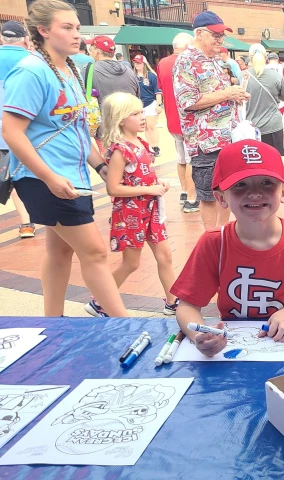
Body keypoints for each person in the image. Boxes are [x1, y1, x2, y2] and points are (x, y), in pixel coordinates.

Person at [3, 0, 128, 317]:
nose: (77, 35)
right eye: (67, 27)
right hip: (45, 178)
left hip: (72, 178)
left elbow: (77, 129)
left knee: (59, 251)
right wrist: (49, 178)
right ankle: (125, 324)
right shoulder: (31, 72)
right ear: (43, 31)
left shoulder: (69, 69)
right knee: (95, 252)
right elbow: (11, 131)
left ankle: (53, 322)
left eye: (77, 28)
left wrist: (100, 166)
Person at [170, 140, 284, 355]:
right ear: (221, 198)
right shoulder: (214, 243)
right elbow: (187, 306)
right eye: (241, 185)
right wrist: (199, 335)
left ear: (283, 191)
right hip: (234, 349)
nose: (255, 193)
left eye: (267, 182)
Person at [86, 92, 177, 316]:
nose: (142, 117)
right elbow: (113, 188)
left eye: (141, 112)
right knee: (131, 263)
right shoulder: (120, 150)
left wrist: (157, 184)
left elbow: (141, 176)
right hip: (131, 213)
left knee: (165, 255)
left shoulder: (141, 143)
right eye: (135, 114)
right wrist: (149, 189)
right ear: (120, 120)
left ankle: (172, 301)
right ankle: (99, 301)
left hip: (151, 210)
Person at [174, 11, 249, 231]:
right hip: (206, 143)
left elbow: (217, 94)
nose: (220, 40)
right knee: (208, 195)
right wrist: (227, 94)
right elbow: (188, 101)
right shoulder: (186, 61)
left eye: (222, 35)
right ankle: (212, 239)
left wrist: (235, 96)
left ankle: (222, 235)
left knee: (227, 190)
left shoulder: (214, 60)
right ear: (199, 33)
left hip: (226, 139)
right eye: (215, 35)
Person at [0, 21, 36, 239]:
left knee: (7, 175)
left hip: (2, 133)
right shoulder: (33, 61)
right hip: (29, 132)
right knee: (23, 175)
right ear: (25, 39)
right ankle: (29, 221)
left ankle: (26, 222)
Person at [156, 32, 198, 213]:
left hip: (172, 119)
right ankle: (192, 198)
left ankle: (184, 191)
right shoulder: (189, 62)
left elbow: (161, 88)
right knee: (192, 160)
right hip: (189, 118)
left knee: (181, 158)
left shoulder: (162, 63)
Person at [244, 44, 284, 157]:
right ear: (266, 57)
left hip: (251, 127)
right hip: (273, 126)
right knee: (274, 160)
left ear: (250, 58)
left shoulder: (243, 76)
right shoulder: (275, 76)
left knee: (255, 162)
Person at [87, 35, 138, 106]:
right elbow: (137, 97)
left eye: (90, 50)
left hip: (104, 112)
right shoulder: (129, 71)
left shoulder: (89, 70)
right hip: (129, 111)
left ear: (97, 52)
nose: (90, 53)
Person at [131, 55, 162, 156]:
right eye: (135, 63)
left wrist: (159, 104)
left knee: (151, 125)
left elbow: (157, 91)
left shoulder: (151, 76)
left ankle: (155, 146)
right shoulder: (133, 76)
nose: (136, 65)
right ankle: (150, 146)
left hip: (150, 102)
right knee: (146, 127)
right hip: (139, 104)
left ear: (144, 64)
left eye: (139, 63)